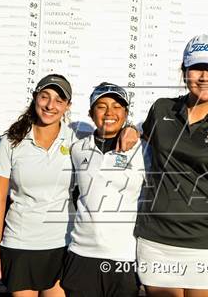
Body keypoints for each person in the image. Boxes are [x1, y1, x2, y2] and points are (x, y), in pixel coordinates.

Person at [123, 34, 208, 297]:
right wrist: (131, 129)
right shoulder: (161, 110)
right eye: (196, 68)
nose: (204, 76)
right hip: (156, 240)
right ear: (184, 72)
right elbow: (141, 139)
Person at [0, 74, 76, 296]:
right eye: (44, 97)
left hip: (62, 244)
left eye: (58, 100)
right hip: (19, 245)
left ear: (67, 106)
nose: (50, 105)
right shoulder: (11, 142)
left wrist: (130, 129)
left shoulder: (76, 141)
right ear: (35, 98)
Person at [60, 83, 148, 297]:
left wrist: (137, 129)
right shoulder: (78, 149)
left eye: (117, 106)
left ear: (126, 113)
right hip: (81, 254)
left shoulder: (143, 149)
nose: (109, 113)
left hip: (123, 257)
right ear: (91, 113)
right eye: (101, 106)